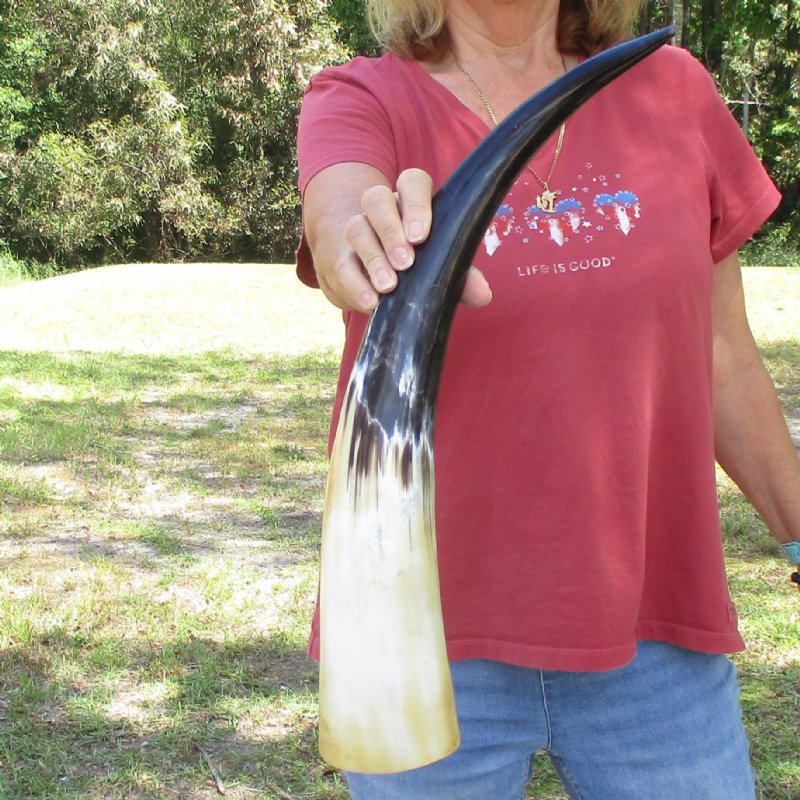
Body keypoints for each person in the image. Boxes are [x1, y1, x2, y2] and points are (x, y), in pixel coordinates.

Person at [295, 0, 800, 796]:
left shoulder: (672, 88)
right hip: (417, 640)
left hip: (656, 636)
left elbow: (724, 355)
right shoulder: (363, 97)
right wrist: (364, 236)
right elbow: (339, 212)